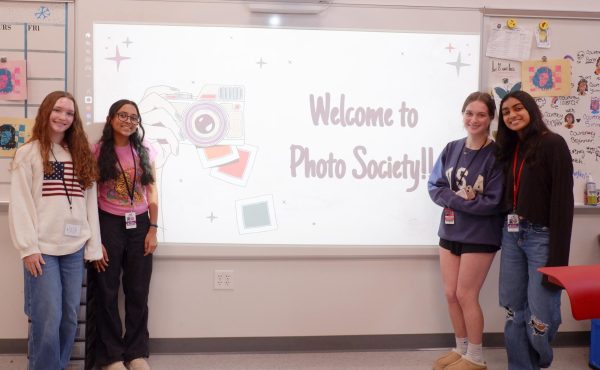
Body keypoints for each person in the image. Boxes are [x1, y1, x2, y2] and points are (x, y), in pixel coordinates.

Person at [8, 91, 102, 369]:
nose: (63, 117)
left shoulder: (81, 155)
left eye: (70, 113)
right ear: (47, 111)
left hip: (74, 249)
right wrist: (28, 248)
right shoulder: (28, 153)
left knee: (69, 317)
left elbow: (90, 205)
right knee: (48, 318)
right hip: (42, 251)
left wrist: (93, 246)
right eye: (58, 110)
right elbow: (21, 204)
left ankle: (56, 366)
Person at [495, 90, 574, 370]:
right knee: (513, 308)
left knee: (541, 314)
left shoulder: (553, 143)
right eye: (505, 112)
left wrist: (559, 260)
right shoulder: (508, 150)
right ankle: (520, 366)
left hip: (541, 236)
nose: (512, 115)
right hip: (511, 234)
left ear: (530, 109)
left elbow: (563, 202)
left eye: (518, 108)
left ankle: (541, 357)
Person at [428, 92, 505, 370]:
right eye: (469, 113)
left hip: (480, 235)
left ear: (490, 119)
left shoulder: (496, 155)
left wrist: (458, 200)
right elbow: (434, 187)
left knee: (465, 295)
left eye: (481, 114)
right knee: (450, 293)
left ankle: (476, 356)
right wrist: (461, 200)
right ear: (463, 115)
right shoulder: (451, 147)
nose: (474, 119)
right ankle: (460, 350)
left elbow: (494, 202)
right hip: (449, 231)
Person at [90, 99, 158, 370]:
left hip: (140, 223)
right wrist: (95, 240)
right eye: (123, 115)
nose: (128, 121)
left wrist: (153, 228)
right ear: (111, 119)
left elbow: (152, 191)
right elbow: (88, 197)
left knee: (138, 290)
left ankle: (136, 352)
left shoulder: (146, 150)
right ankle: (111, 356)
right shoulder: (97, 151)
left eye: (134, 117)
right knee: (106, 291)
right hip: (107, 222)